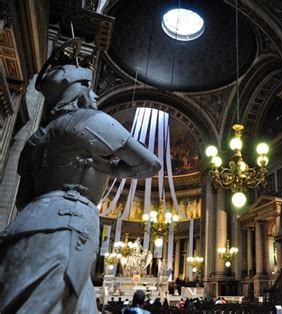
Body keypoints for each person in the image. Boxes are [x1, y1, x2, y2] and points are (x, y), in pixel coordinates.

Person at [0, 38, 161, 313]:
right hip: (70, 224)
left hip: (25, 224)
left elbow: (23, 197)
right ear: (82, 90)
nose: (95, 97)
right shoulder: (88, 120)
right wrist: (108, 168)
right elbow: (151, 164)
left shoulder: (35, 141)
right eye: (92, 90)